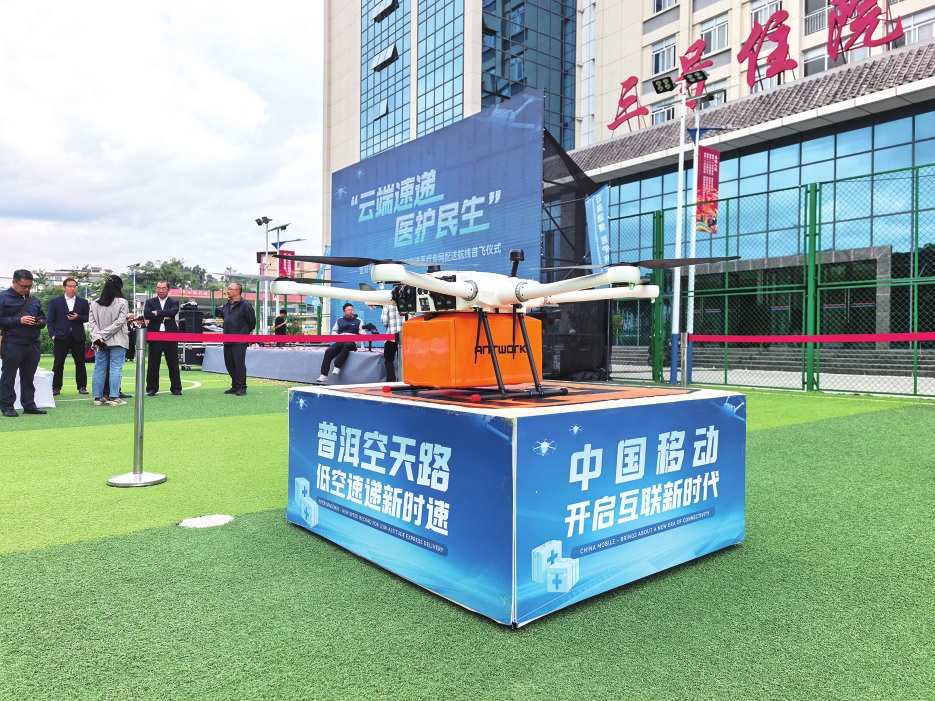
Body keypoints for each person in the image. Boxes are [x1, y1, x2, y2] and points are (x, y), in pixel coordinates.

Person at [0, 270, 47, 417]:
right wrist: (19, 320)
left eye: (30, 286)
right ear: (14, 282)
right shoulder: (3, 297)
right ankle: (7, 406)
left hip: (32, 343)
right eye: (23, 286)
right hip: (12, 342)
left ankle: (29, 405)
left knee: (28, 376)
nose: (27, 289)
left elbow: (43, 318)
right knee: (8, 376)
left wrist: (39, 322)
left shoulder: (34, 299)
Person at [89, 275, 135, 406]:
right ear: (120, 287)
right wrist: (104, 334)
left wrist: (98, 336)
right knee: (115, 368)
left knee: (99, 368)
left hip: (99, 341)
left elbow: (92, 323)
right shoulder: (122, 302)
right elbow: (120, 322)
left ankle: (97, 397)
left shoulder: (94, 303)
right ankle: (114, 397)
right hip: (117, 340)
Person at [46, 277, 90, 396]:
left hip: (78, 336)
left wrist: (77, 317)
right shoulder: (55, 301)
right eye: (70, 286)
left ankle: (82, 386)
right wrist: (52, 334)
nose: (73, 289)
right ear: (64, 287)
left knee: (80, 363)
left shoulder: (83, 302)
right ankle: (56, 387)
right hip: (60, 336)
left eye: (74, 286)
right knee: (58, 363)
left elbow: (87, 317)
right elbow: (50, 319)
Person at [143, 280, 182, 396]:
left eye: (163, 288)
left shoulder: (174, 302)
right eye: (158, 288)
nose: (160, 290)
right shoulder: (150, 302)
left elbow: (174, 311)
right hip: (155, 335)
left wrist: (156, 313)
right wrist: (165, 316)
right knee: (153, 363)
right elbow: (147, 314)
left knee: (173, 362)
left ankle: (176, 387)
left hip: (170, 335)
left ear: (168, 290)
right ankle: (152, 388)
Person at [218, 282, 256, 396]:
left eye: (230, 289)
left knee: (239, 364)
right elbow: (224, 318)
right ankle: (235, 385)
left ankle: (241, 387)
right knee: (229, 364)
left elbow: (252, 322)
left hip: (239, 341)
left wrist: (243, 332)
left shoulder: (245, 305)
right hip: (227, 339)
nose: (227, 290)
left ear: (237, 291)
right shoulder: (226, 305)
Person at [317, 302, 360, 383]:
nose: (351, 311)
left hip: (352, 343)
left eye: (352, 309)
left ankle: (337, 366)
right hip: (341, 341)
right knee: (328, 352)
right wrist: (337, 337)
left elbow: (362, 332)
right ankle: (324, 375)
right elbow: (334, 330)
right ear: (344, 311)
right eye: (348, 310)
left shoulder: (358, 321)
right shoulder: (339, 320)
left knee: (347, 345)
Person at [381, 302, 403, 383]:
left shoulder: (387, 304)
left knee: (389, 359)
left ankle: (391, 380)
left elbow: (384, 321)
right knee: (403, 359)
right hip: (404, 335)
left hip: (391, 335)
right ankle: (404, 378)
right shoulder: (406, 302)